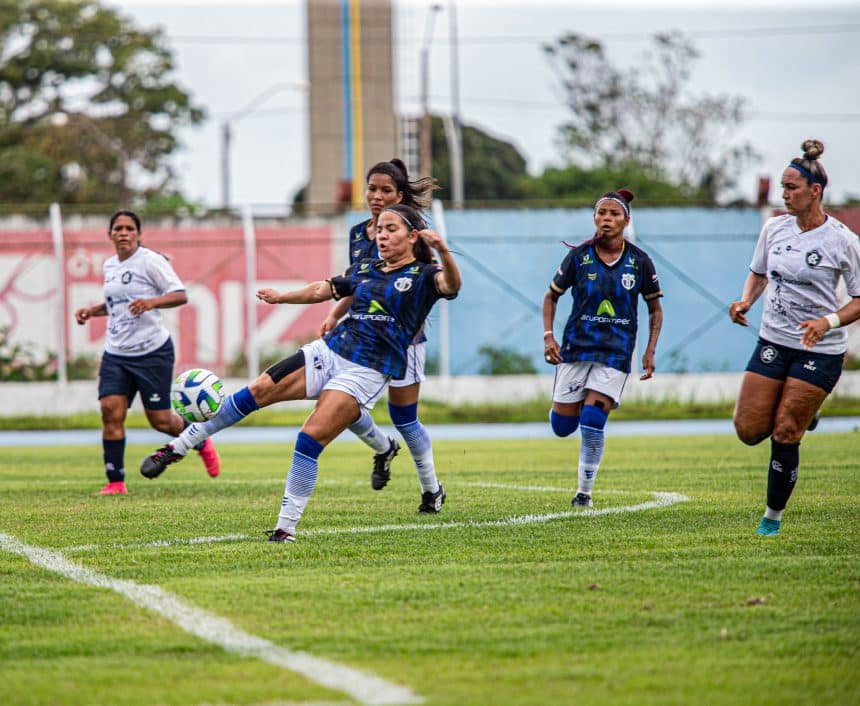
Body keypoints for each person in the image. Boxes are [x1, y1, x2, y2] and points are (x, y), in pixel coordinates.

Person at [139, 204, 461, 541]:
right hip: (328, 352)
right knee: (256, 390)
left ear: (412, 236)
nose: (382, 234)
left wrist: (442, 251)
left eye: (391, 229)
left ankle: (284, 528)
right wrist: (282, 298)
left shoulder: (424, 275)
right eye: (380, 228)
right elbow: (323, 289)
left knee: (309, 438)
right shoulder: (365, 267)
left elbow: (451, 285)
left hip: (366, 372)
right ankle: (177, 446)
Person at [729, 139, 860, 536]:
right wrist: (746, 300)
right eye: (783, 188)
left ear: (815, 191)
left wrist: (830, 322)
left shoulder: (842, 241)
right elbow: (759, 271)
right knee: (749, 430)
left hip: (819, 349)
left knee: (786, 430)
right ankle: (809, 411)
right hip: (773, 340)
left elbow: (859, 300)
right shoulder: (774, 228)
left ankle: (771, 519)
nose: (784, 195)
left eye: (792, 188)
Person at [320, 158, 443, 501]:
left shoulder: (412, 234)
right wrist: (334, 314)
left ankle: (431, 489)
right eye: (372, 188)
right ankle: (383, 447)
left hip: (404, 342)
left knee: (404, 418)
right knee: (342, 401)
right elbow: (357, 282)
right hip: (362, 337)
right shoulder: (359, 233)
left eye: (385, 190)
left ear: (400, 195)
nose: (376, 196)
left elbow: (428, 285)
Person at [74, 209, 220, 495]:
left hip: (152, 352)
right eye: (118, 228)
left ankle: (200, 440)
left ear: (138, 234)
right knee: (110, 412)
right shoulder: (109, 266)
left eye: (130, 228)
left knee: (161, 421)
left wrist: (152, 303)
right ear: (111, 235)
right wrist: (93, 310)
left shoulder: (151, 261)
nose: (124, 233)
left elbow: (180, 294)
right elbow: (118, 304)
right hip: (116, 353)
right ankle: (116, 481)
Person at [542, 189, 664, 508]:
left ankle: (584, 493)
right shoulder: (579, 257)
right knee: (562, 427)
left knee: (593, 422)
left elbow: (655, 309)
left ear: (626, 220)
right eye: (601, 213)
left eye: (613, 214)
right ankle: (586, 400)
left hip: (616, 352)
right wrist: (548, 337)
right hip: (577, 349)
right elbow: (550, 296)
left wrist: (649, 351)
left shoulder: (639, 261)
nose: (606, 219)